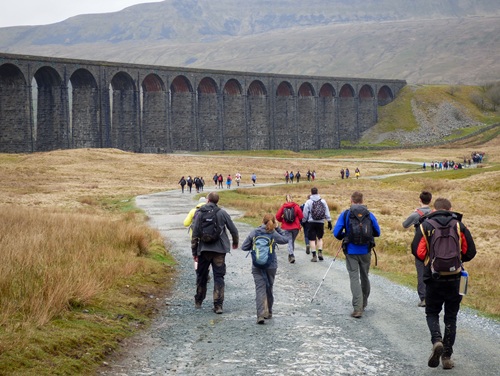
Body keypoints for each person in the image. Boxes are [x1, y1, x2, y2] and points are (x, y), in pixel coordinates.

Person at [411, 198, 476, 369]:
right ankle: (446, 357)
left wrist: (430, 260)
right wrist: (458, 260)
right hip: (455, 278)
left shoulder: (426, 225)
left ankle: (436, 340)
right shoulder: (458, 225)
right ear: (450, 209)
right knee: (451, 317)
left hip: (434, 278)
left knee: (432, 312)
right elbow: (470, 251)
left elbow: (417, 251)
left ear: (434, 209)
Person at [333, 191, 380, 318]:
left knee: (354, 278)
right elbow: (378, 232)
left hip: (351, 250)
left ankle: (357, 308)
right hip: (366, 250)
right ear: (362, 200)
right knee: (365, 276)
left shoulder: (346, 214)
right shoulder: (369, 214)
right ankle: (364, 303)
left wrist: (346, 236)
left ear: (351, 200)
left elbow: (336, 232)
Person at [191, 192, 239, 314]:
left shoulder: (200, 213)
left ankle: (198, 301)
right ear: (217, 201)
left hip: (203, 250)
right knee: (219, 277)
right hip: (219, 251)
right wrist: (235, 242)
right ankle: (218, 306)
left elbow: (195, 234)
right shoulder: (222, 213)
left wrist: (194, 252)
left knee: (201, 276)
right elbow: (233, 229)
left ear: (208, 200)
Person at [241, 214, 288, 324]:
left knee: (260, 288)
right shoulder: (273, 233)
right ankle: (269, 312)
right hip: (271, 265)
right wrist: (278, 228)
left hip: (257, 265)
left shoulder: (255, 232)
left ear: (262, 221)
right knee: (269, 287)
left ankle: (260, 315)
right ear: (273, 222)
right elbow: (285, 239)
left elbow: (244, 247)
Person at [402, 191, 433, 307]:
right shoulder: (434, 213)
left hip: (421, 247)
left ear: (420, 200)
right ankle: (433, 297)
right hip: (434, 247)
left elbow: (404, 225)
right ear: (430, 200)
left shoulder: (416, 214)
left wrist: (414, 214)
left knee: (421, 272)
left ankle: (424, 298)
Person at [301, 187, 332, 262]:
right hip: (320, 222)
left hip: (311, 222)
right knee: (320, 238)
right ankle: (320, 252)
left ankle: (314, 255)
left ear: (311, 193)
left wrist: (303, 221)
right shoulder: (323, 201)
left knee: (312, 239)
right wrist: (329, 221)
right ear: (318, 192)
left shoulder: (308, 201)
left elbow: (305, 213)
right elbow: (327, 211)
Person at [275, 194, 304, 263]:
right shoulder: (296, 206)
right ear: (292, 199)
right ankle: (291, 255)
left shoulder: (283, 207)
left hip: (287, 227)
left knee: (290, 240)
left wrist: (282, 220)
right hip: (295, 227)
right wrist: (297, 221)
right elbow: (301, 216)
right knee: (291, 240)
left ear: (286, 199)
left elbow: (277, 216)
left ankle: (291, 255)